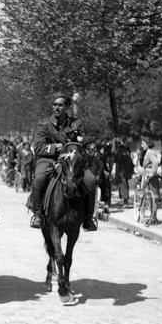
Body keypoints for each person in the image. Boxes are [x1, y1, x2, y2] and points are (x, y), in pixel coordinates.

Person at [27, 93, 97, 231]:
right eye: (55, 105)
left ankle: (88, 219)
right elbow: (38, 147)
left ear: (67, 107)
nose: (57, 108)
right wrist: (55, 148)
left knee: (91, 180)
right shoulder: (44, 124)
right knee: (39, 178)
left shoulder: (76, 123)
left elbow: (84, 143)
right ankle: (37, 215)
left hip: (71, 161)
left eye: (60, 105)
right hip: (49, 160)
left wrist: (86, 146)